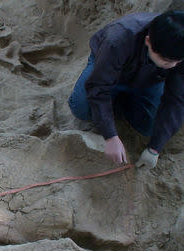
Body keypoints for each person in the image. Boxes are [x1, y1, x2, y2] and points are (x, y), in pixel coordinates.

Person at [68, 10, 183, 169]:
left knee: (150, 127)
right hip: (110, 70)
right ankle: (113, 99)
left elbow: (176, 100)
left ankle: (121, 101)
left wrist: (154, 149)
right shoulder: (119, 39)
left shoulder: (178, 54)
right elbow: (98, 87)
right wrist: (111, 137)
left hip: (150, 79)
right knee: (81, 108)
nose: (173, 65)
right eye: (167, 60)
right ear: (148, 41)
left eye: (178, 61)